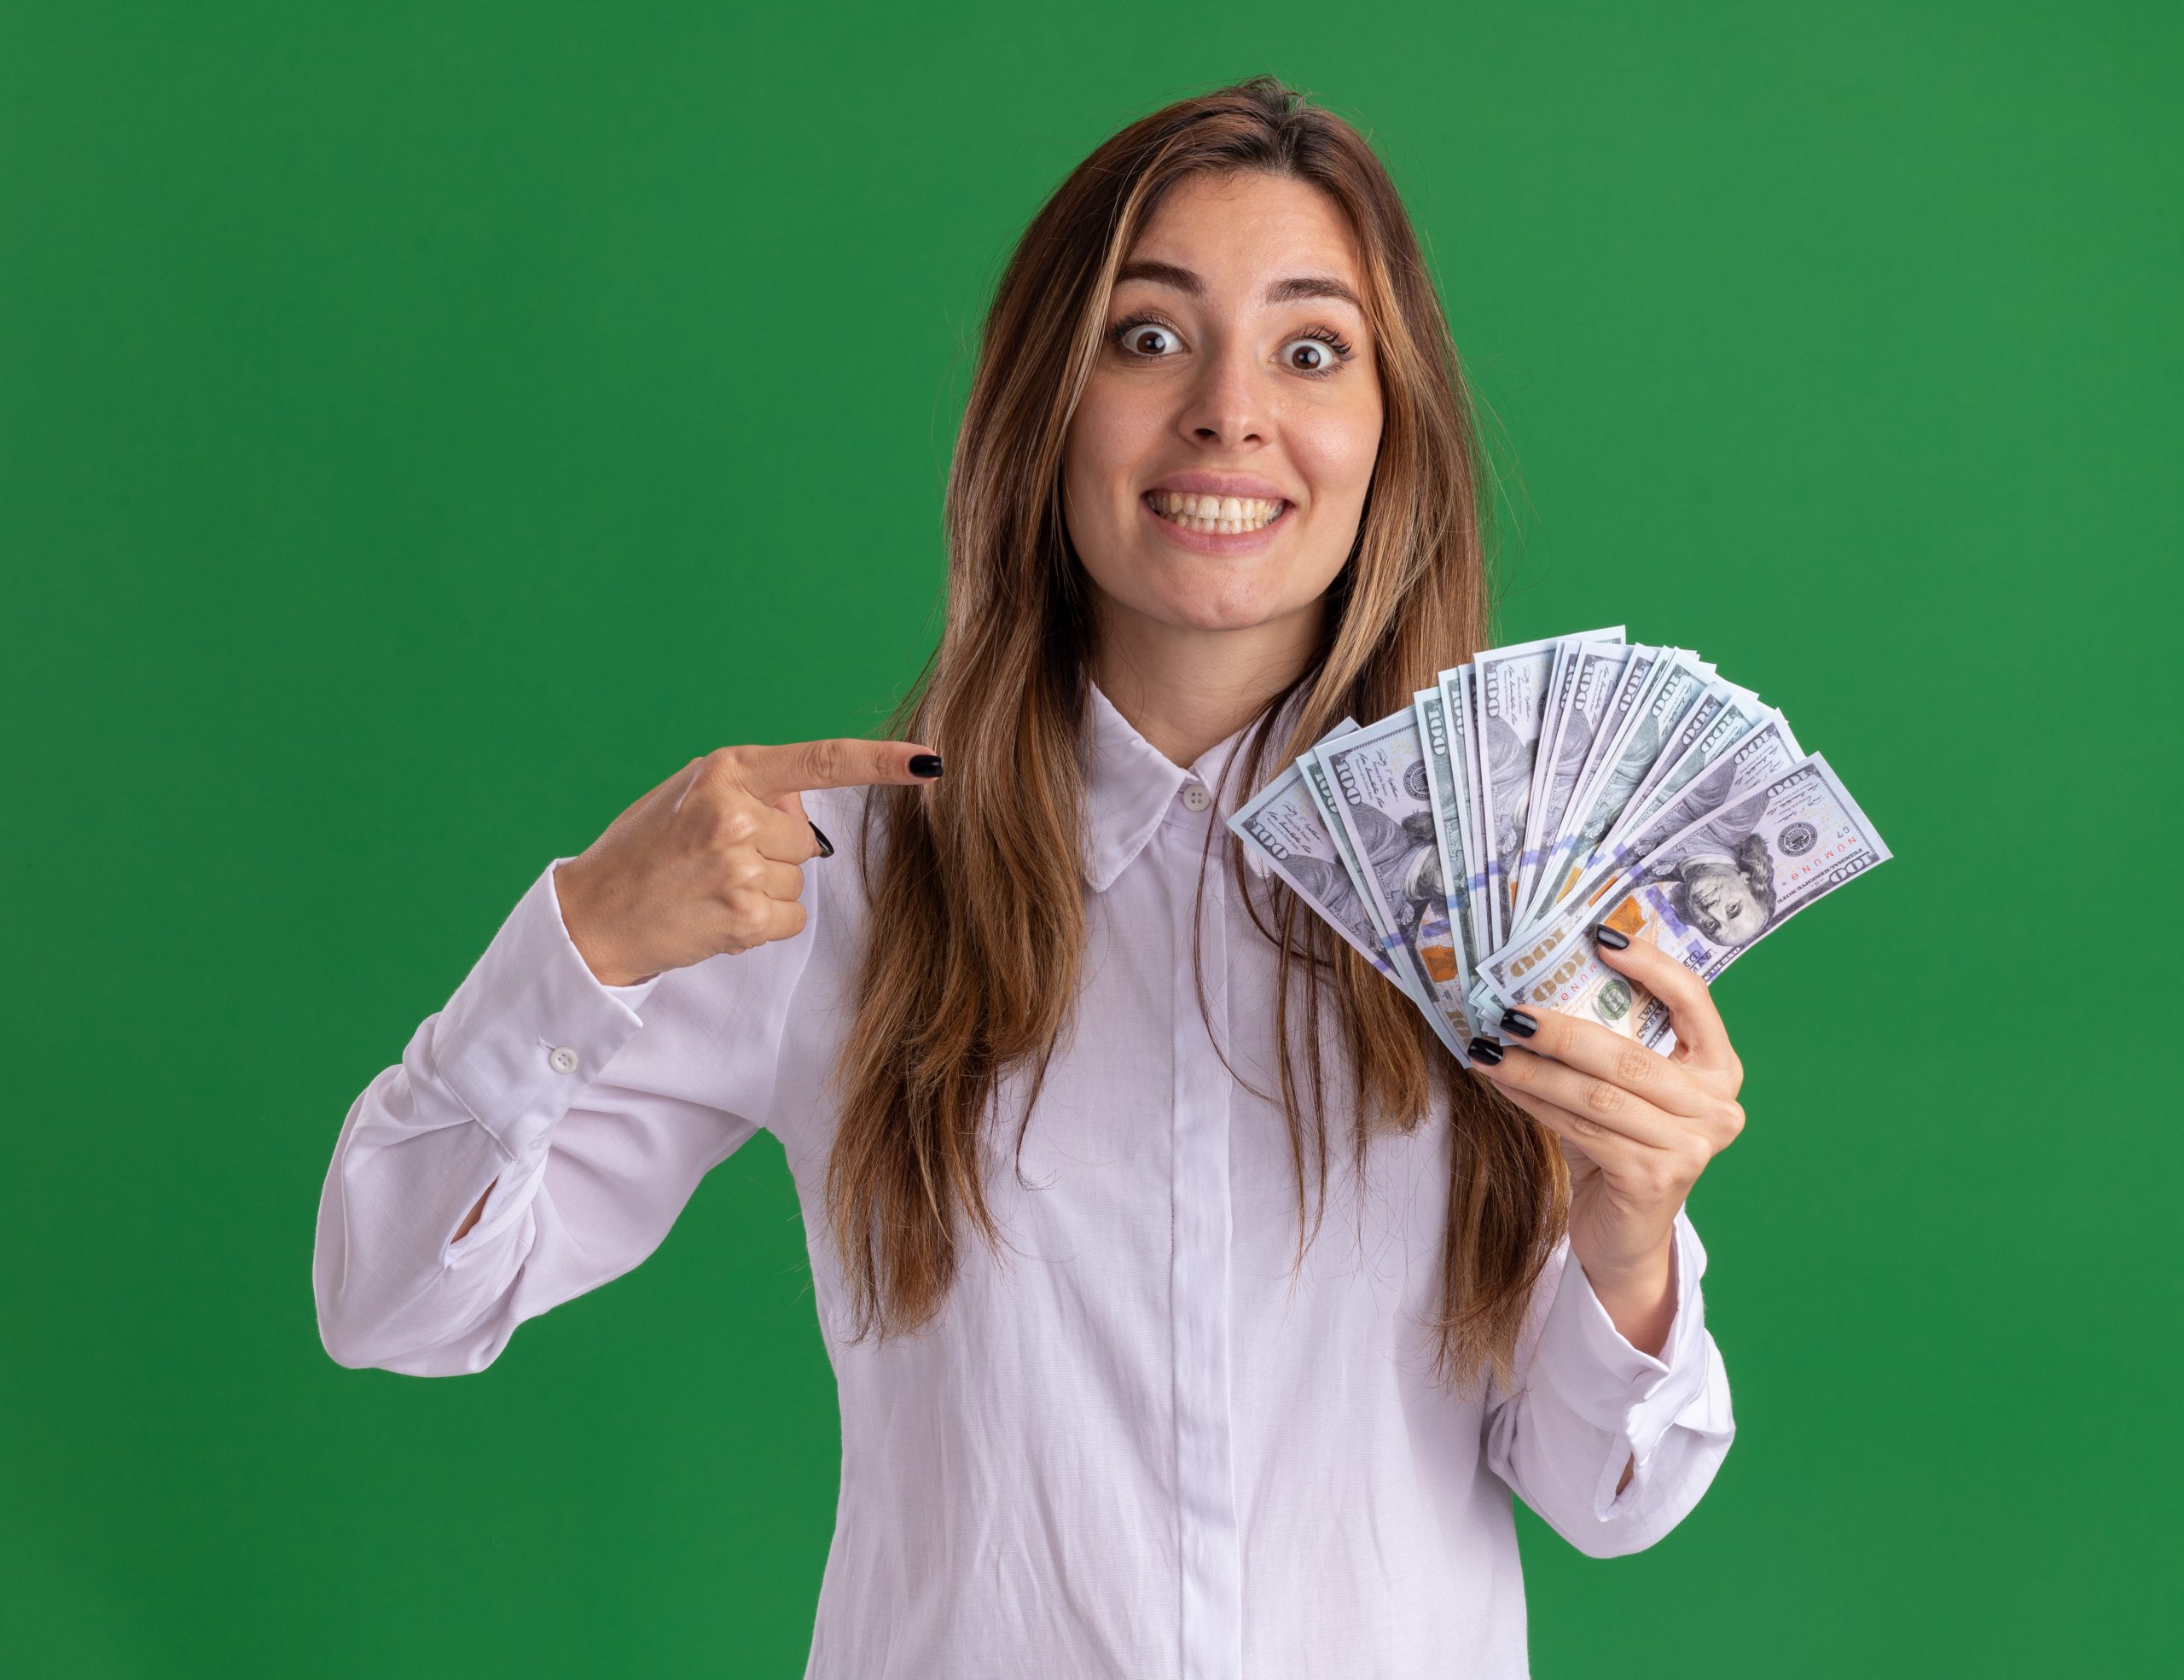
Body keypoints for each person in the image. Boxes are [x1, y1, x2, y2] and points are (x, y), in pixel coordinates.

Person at [313, 75, 1748, 1679]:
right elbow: (388, 1300)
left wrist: (1634, 1238)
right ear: (1042, 408)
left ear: (1387, 430)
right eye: (1148, 336)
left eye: (1311, 347)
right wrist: (581, 942)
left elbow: (1608, 1498)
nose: (1229, 410)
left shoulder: (1504, 901)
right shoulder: (829, 884)